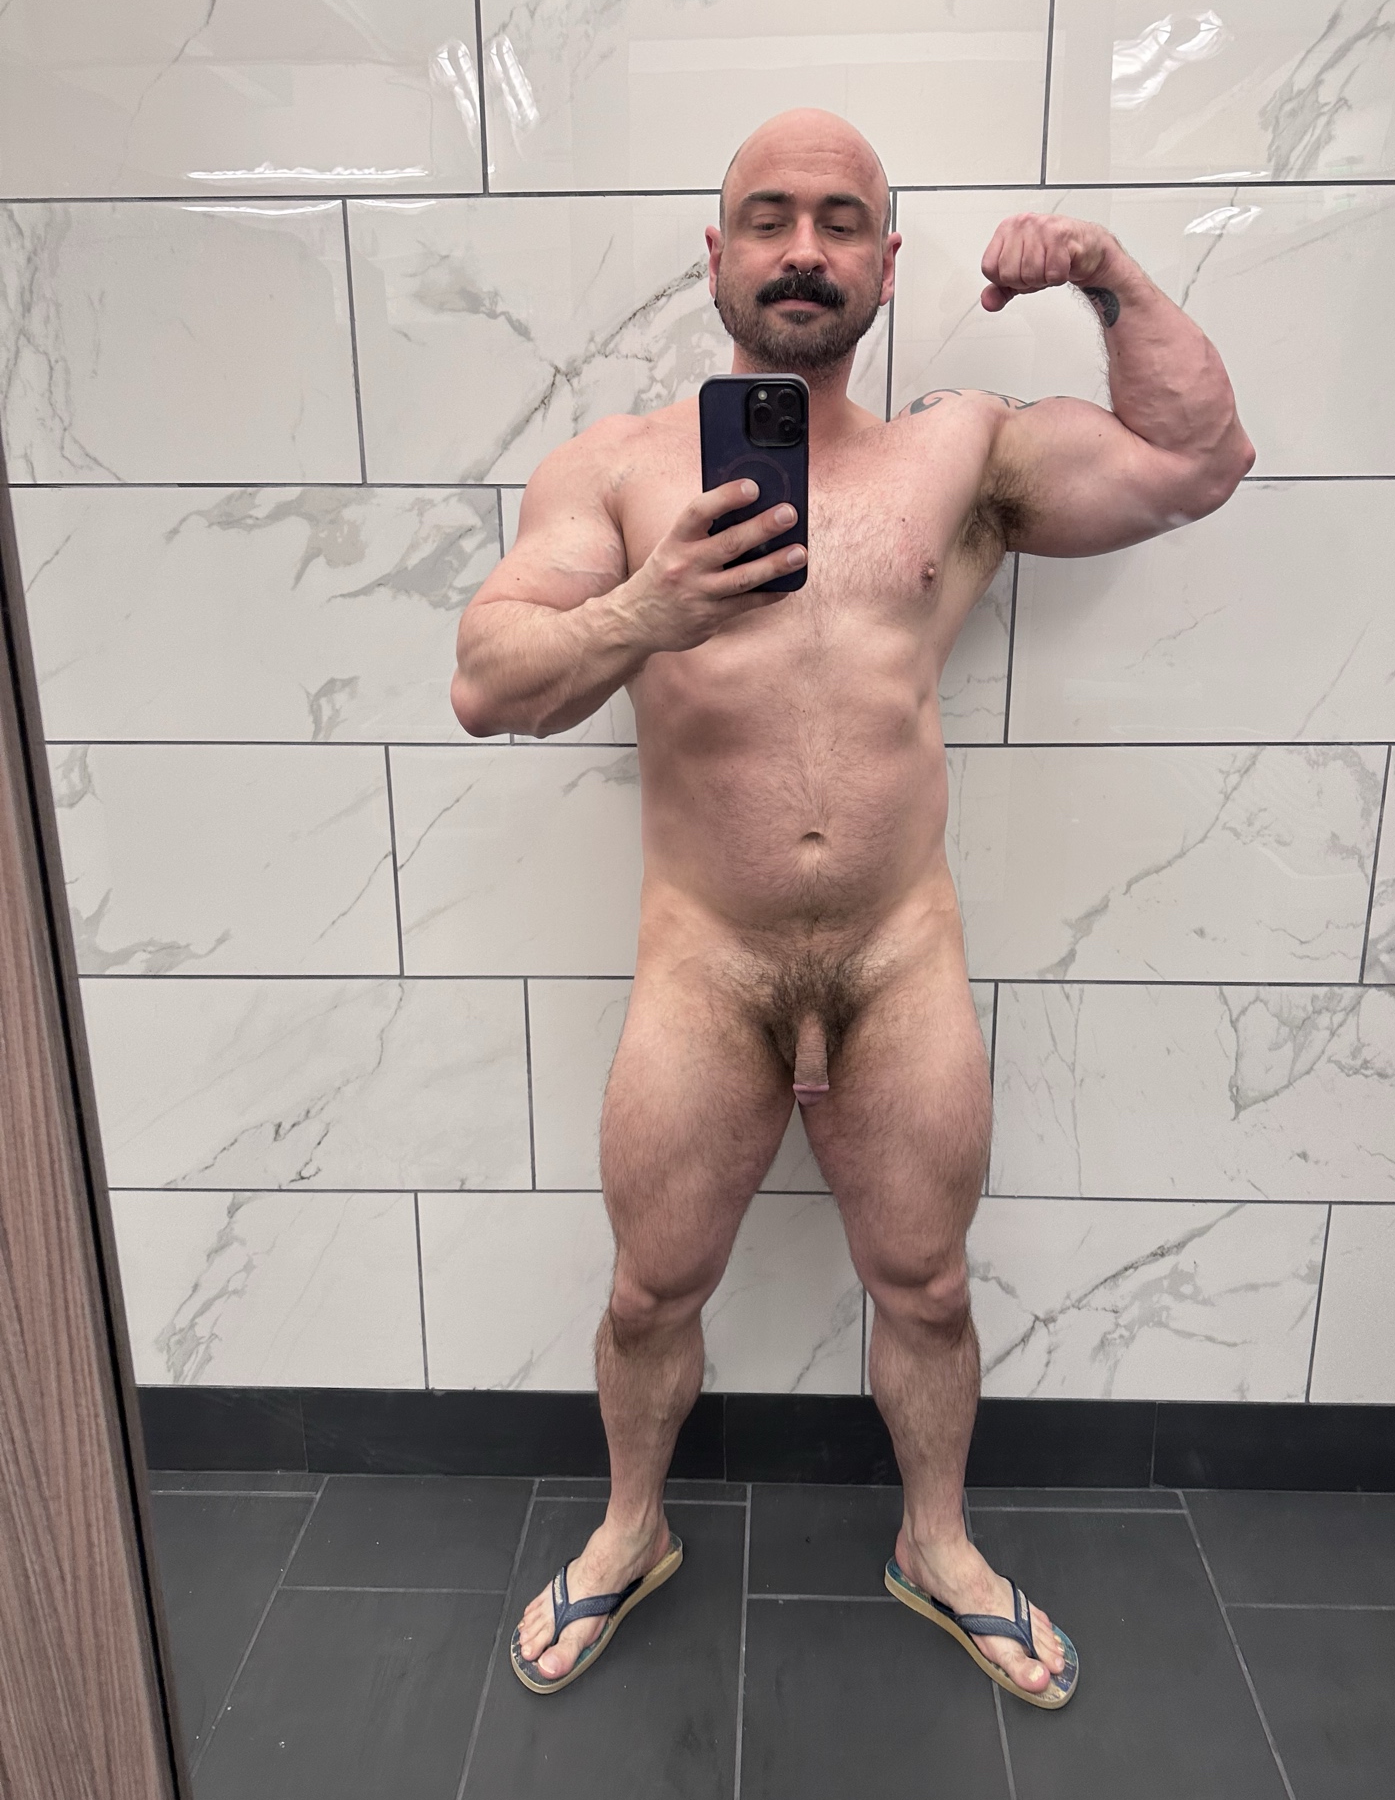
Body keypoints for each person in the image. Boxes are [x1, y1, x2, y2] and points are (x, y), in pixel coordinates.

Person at [451, 109, 1254, 1707]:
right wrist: (647, 607)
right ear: (717, 254)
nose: (803, 250)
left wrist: (1107, 273)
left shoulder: (962, 454)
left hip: (897, 959)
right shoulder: (614, 468)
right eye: (768, 218)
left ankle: (936, 1543)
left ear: (889, 263)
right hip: (707, 962)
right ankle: (628, 1530)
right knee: (649, 1291)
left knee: (928, 1287)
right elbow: (486, 680)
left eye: (839, 221)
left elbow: (1196, 465)